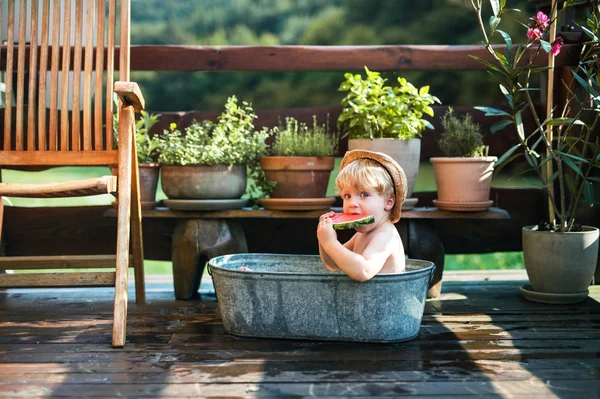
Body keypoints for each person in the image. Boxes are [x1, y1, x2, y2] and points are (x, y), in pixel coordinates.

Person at [317, 149, 407, 282]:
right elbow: (332, 264)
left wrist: (330, 243)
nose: (352, 203)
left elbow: (363, 271)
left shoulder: (386, 236)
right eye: (347, 196)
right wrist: (324, 237)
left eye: (364, 194)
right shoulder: (360, 236)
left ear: (388, 202)